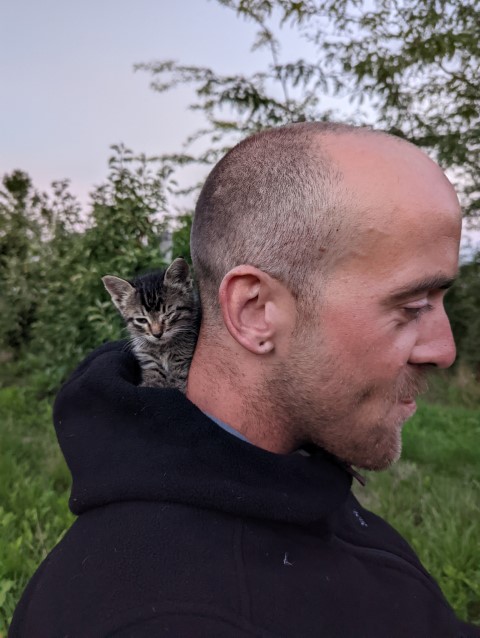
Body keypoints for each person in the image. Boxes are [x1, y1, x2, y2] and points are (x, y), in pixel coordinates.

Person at [9, 123, 480, 637]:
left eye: (441, 301)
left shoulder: (295, 470)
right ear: (255, 311)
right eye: (412, 305)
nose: (445, 350)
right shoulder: (161, 618)